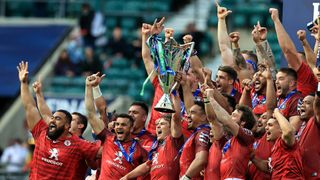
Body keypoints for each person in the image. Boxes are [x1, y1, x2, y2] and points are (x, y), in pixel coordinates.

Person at [17, 61, 100, 179]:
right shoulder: (41, 132)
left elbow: (106, 154)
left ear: (67, 125)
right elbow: (30, 107)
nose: (52, 120)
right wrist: (24, 83)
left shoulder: (80, 145)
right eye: (53, 118)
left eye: (57, 118)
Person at [85, 74, 147, 179]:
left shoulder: (141, 151)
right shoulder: (108, 137)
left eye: (123, 125)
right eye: (117, 124)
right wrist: (88, 87)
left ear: (131, 128)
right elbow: (91, 114)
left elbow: (149, 168)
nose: (119, 127)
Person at [121, 94, 184, 180]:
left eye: (162, 124)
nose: (158, 126)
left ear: (171, 128)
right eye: (157, 124)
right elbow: (147, 166)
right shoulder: (156, 147)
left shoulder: (174, 141)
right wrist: (126, 177)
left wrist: (175, 94)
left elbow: (176, 118)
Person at [270, 8, 318, 97]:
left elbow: (289, 51)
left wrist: (276, 20)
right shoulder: (284, 89)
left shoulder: (307, 79)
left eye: (300, 62)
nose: (291, 64)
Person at [208, 90, 256, 179]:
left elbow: (226, 121)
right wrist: (206, 99)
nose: (230, 117)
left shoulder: (247, 134)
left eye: (234, 116)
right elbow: (212, 118)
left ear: (243, 122)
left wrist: (210, 98)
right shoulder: (230, 140)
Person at [265, 108, 304, 179]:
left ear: (281, 129)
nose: (266, 128)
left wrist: (276, 112)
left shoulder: (286, 142)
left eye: (270, 125)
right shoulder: (275, 147)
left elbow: (289, 131)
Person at [179, 101, 210, 180]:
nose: (188, 116)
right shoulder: (198, 133)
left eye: (192, 113)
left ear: (203, 117)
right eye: (188, 113)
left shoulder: (203, 132)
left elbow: (201, 159)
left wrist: (186, 177)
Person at [298, 94, 320, 179]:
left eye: (307, 103)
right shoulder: (301, 127)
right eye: (302, 102)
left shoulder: (316, 121)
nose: (302, 105)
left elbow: (318, 103)